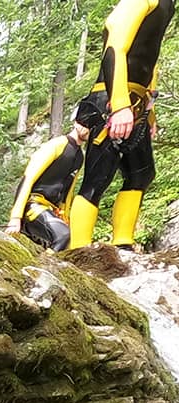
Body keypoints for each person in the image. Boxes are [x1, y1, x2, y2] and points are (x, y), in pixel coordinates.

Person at [68, 0, 174, 249]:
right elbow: (115, 43)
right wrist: (119, 105)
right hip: (110, 100)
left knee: (141, 173)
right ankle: (79, 249)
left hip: (135, 104)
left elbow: (151, 58)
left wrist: (150, 112)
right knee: (97, 179)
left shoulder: (166, 5)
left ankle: (123, 242)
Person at [6, 118, 90, 251]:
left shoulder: (80, 157)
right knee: (63, 235)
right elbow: (28, 178)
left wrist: (64, 216)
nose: (88, 129)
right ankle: (47, 266)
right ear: (75, 123)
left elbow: (68, 192)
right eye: (85, 124)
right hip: (33, 206)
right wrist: (16, 217)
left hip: (51, 210)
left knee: (68, 238)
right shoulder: (56, 145)